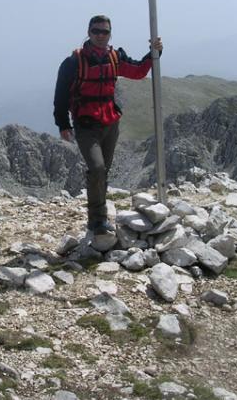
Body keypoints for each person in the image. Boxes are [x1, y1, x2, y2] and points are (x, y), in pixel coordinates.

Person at [53, 15, 163, 240]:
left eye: (105, 32)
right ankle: (97, 220)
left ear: (110, 34)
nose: (100, 36)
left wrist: (155, 53)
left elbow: (138, 71)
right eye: (96, 31)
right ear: (89, 32)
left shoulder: (115, 57)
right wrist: (63, 124)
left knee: (103, 172)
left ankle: (100, 215)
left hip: (111, 123)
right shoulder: (74, 62)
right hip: (86, 125)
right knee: (97, 168)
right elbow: (61, 96)